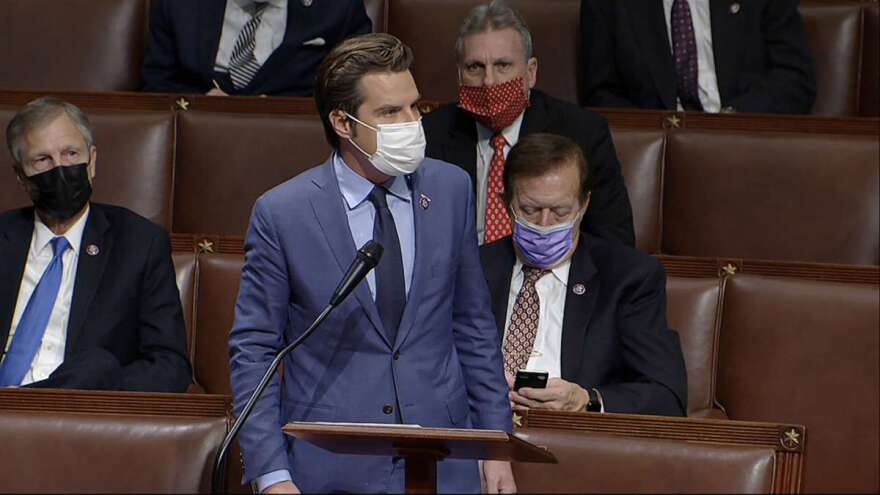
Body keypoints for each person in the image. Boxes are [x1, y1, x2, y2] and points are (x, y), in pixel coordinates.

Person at [229, 33, 515, 494]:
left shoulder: (450, 189)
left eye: (413, 107)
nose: (411, 123)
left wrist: (495, 446)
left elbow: (473, 324)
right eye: (389, 112)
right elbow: (256, 351)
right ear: (343, 123)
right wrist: (272, 475)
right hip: (332, 463)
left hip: (443, 459)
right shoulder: (283, 213)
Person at [480, 133, 687, 417]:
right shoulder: (472, 268)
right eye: (529, 210)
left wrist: (586, 400)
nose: (544, 224)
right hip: (480, 428)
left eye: (560, 211)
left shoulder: (628, 277)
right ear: (505, 203)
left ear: (584, 204)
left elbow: (666, 396)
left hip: (575, 439)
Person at [0, 97, 191, 392]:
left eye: (70, 154)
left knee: (96, 365)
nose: (59, 169)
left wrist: (96, 387)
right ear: (21, 177)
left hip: (78, 416)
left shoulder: (139, 243)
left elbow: (170, 366)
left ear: (92, 161)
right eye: (42, 160)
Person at [423, 0, 634, 248]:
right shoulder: (430, 133)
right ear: (459, 75)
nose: (489, 82)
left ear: (531, 72)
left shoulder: (581, 132)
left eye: (503, 65)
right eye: (475, 67)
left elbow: (613, 242)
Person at [580, 0, 816, 114]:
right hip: (661, 151)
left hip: (747, 140)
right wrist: (661, 131)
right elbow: (601, 93)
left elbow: (794, 78)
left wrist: (733, 118)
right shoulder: (609, 4)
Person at [141, 0, 372, 96]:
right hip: (197, 138)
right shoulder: (180, 5)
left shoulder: (338, 7)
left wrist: (277, 111)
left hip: (296, 141)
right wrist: (201, 103)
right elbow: (157, 84)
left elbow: (355, 91)